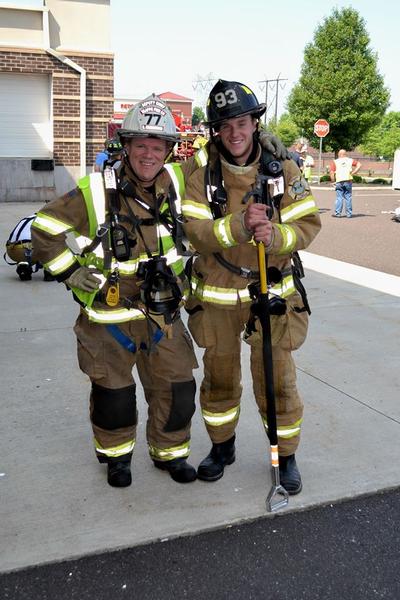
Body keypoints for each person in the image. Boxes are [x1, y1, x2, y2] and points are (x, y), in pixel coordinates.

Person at [31, 95, 201, 488]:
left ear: (168, 151)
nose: (148, 154)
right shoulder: (94, 190)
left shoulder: (176, 182)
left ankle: (170, 455)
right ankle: (117, 459)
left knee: (177, 389)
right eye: (140, 144)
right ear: (125, 146)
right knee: (114, 396)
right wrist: (71, 271)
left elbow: (226, 161)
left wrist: (264, 144)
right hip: (109, 318)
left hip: (164, 315)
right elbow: (43, 229)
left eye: (157, 146)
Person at [182, 79, 321, 495]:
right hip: (218, 296)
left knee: (278, 383)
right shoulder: (199, 174)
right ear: (215, 131)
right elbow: (193, 233)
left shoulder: (285, 168)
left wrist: (277, 237)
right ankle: (222, 450)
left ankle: (285, 456)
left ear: (254, 123)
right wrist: (239, 225)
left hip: (272, 293)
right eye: (225, 126)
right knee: (220, 379)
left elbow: (308, 223)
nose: (235, 133)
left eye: (241, 122)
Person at [330, 149, 361, 218]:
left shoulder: (335, 161)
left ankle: (338, 213)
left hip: (339, 181)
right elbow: (359, 164)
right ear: (345, 154)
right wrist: (354, 172)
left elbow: (332, 173)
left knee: (339, 197)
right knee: (348, 197)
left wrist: (333, 181)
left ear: (340, 154)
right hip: (348, 180)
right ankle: (349, 214)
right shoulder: (350, 160)